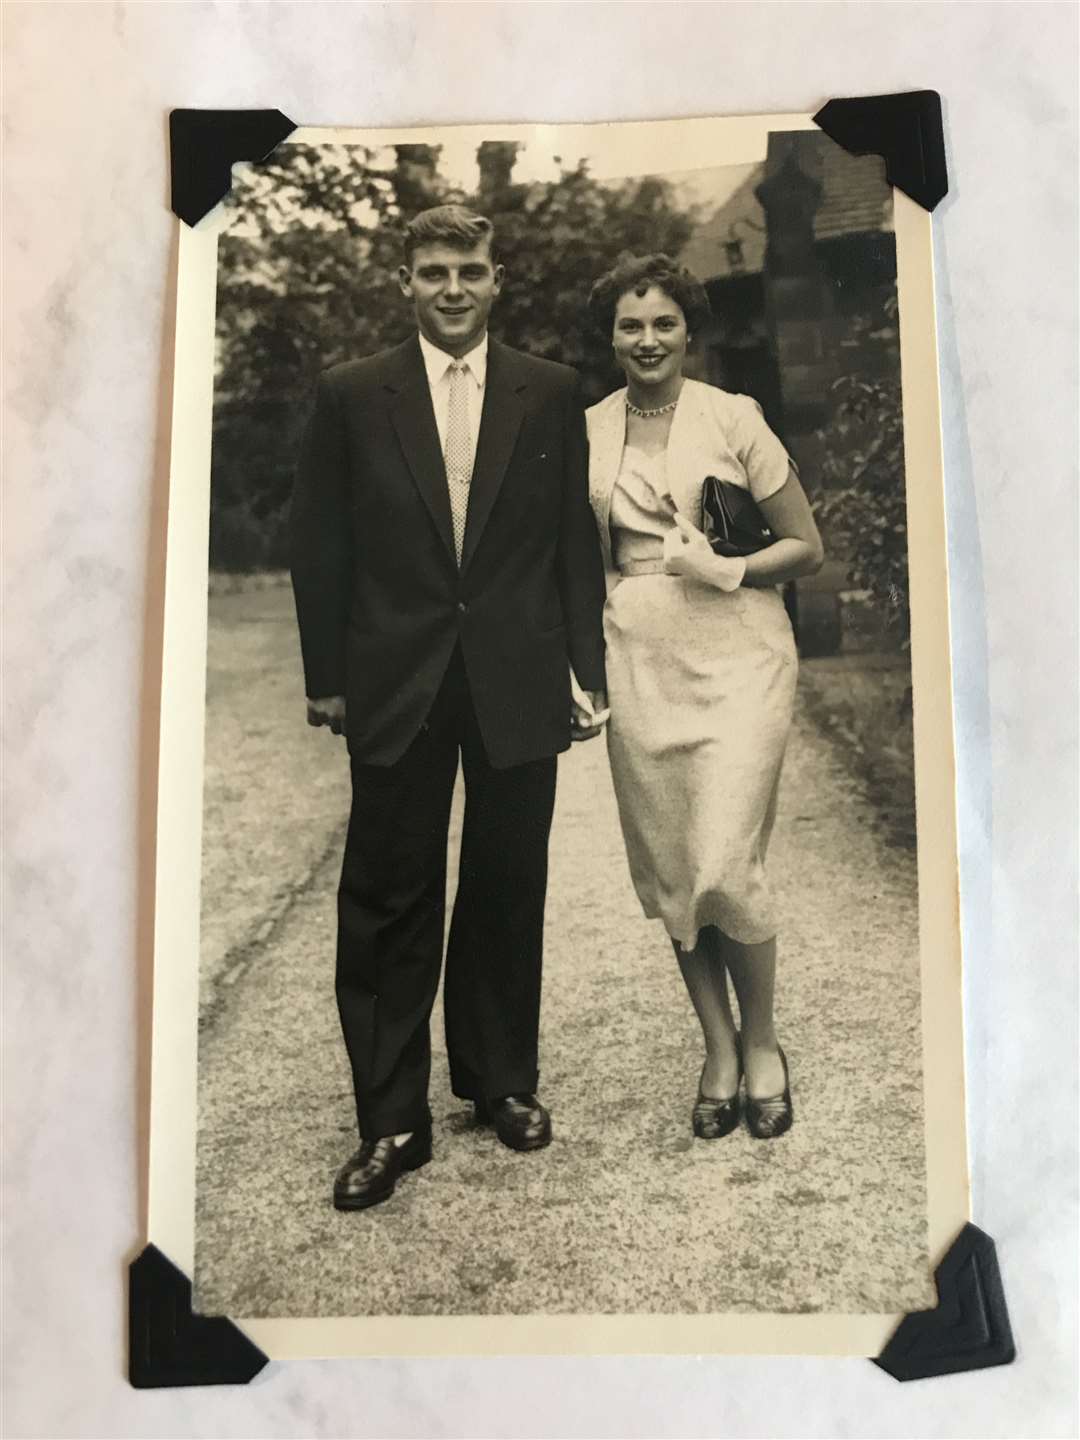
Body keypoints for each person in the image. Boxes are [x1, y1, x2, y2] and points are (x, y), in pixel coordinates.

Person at [290, 205, 608, 1211]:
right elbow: (322, 543)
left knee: (510, 879)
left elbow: (570, 544)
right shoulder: (351, 395)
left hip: (516, 670)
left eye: (469, 268)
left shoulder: (550, 390)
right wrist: (328, 676)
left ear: (496, 277)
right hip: (398, 676)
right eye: (433, 271)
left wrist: (585, 668)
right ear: (407, 282)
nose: (453, 287)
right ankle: (391, 1119)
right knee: (387, 895)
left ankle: (500, 1080)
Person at [584, 253, 824, 1141]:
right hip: (641, 656)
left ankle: (764, 1046)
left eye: (664, 324)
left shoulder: (735, 416)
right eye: (630, 326)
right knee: (679, 870)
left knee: (726, 858)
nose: (648, 340)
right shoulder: (590, 430)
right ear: (611, 337)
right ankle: (718, 1049)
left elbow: (806, 545)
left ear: (690, 331)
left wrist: (725, 566)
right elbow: (583, 560)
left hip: (739, 653)